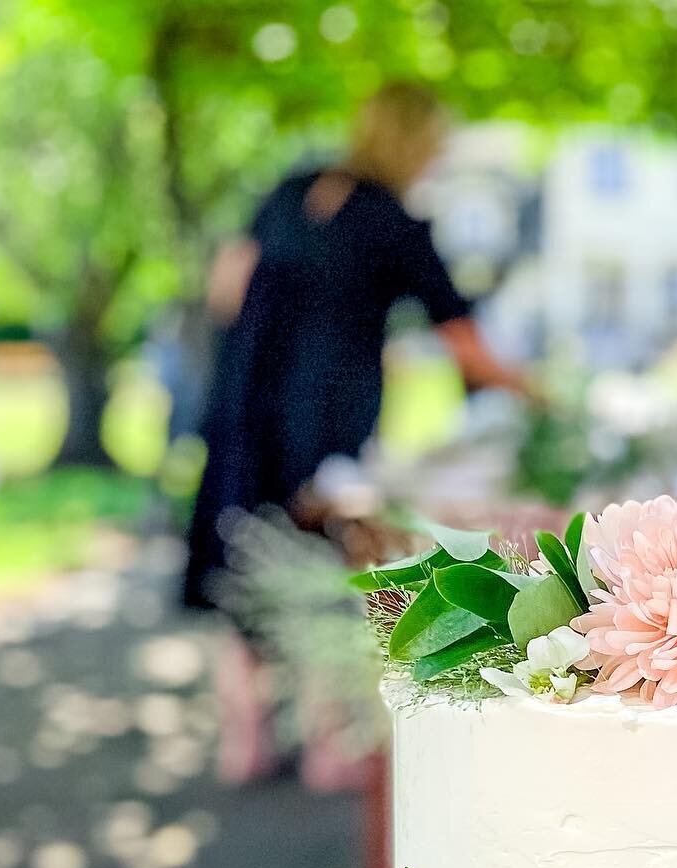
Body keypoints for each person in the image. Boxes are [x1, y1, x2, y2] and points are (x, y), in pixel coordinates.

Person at [184, 82, 527, 783]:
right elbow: (460, 337)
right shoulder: (394, 221)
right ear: (415, 142)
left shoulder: (290, 189)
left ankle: (242, 743)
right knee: (324, 563)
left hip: (245, 406)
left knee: (241, 558)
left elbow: (226, 286)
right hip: (326, 422)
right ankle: (326, 745)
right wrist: (536, 391)